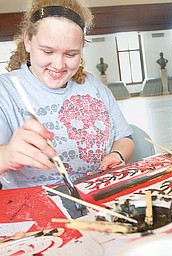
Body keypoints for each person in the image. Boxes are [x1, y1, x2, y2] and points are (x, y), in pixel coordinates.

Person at [0, 0, 134, 189]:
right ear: (28, 41)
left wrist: (117, 155)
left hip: (97, 193)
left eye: (71, 54)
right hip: (36, 206)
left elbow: (124, 137)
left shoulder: (92, 84)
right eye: (47, 51)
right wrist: (6, 156)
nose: (59, 65)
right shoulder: (5, 91)